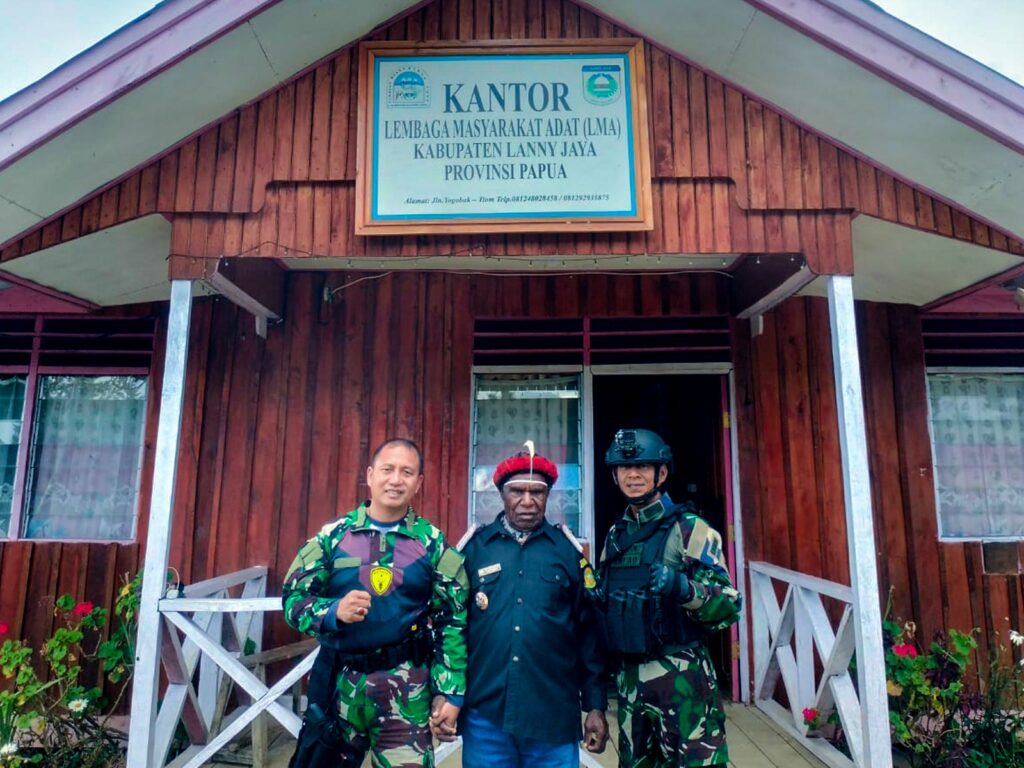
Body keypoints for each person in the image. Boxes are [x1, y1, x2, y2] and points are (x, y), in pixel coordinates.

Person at [282, 438, 468, 768]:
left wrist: (450, 692)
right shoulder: (333, 537)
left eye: (406, 472)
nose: (396, 480)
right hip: (339, 689)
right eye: (387, 470)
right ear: (370, 475)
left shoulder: (432, 544)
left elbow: (453, 618)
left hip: (406, 693)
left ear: (418, 483)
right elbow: (293, 600)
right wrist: (332, 611)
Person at [445, 445, 609, 768]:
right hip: (486, 716)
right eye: (517, 491)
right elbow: (452, 625)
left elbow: (590, 635)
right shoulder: (474, 550)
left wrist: (595, 705)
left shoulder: (568, 553)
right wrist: (447, 694)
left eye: (537, 492)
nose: (527, 501)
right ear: (501, 494)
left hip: (552, 717)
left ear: (548, 496)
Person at [598, 428, 742, 768]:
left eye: (643, 467)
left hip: (682, 680)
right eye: (625, 468)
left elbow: (729, 604)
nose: (633, 475)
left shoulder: (689, 528)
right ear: (615, 475)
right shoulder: (617, 534)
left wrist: (684, 588)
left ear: (661, 473)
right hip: (630, 682)